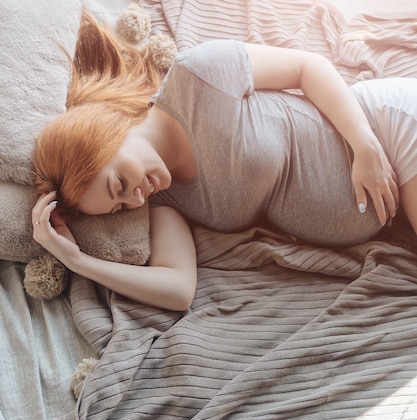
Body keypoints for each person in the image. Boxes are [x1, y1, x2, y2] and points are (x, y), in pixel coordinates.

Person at [33, 11, 417, 311]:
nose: (135, 200)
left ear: (107, 133)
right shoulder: (166, 200)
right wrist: (77, 261)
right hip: (394, 207)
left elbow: (308, 66)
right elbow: (179, 289)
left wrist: (365, 147)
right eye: (120, 206)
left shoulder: (197, 75)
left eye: (119, 185)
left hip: (389, 130)